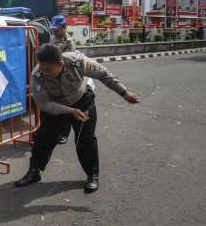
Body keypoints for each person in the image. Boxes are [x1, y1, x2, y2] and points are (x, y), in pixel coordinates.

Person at [15, 44, 140, 192]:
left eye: (48, 69)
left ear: (60, 64)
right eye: (41, 68)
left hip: (81, 100)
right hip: (55, 105)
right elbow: (44, 104)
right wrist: (69, 110)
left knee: (85, 139)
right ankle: (34, 171)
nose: (43, 72)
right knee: (44, 138)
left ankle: (92, 175)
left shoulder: (77, 62)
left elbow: (103, 74)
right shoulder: (37, 75)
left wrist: (124, 92)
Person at [49, 14, 95, 145]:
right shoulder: (52, 37)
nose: (54, 31)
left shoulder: (69, 43)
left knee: (66, 106)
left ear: (64, 27)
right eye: (53, 29)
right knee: (56, 107)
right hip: (53, 75)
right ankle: (56, 131)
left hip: (65, 77)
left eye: (56, 29)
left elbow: (66, 63)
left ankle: (64, 134)